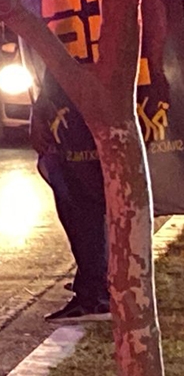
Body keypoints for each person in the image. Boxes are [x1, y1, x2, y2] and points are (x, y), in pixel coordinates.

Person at [32, 72, 110, 321]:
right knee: (81, 208)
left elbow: (59, 66)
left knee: (82, 209)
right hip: (72, 109)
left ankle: (95, 295)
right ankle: (93, 282)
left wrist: (40, 109)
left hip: (77, 116)